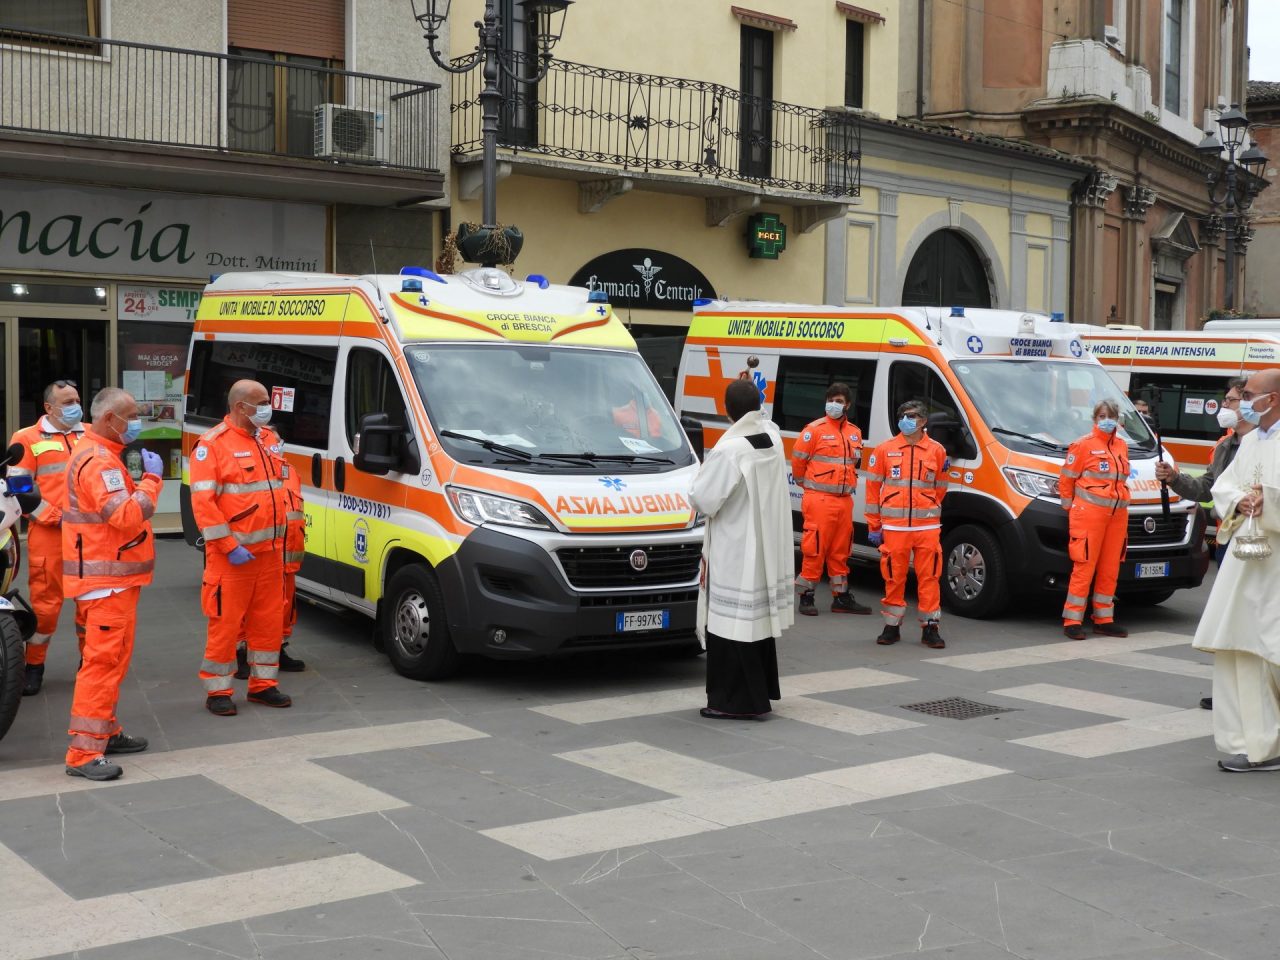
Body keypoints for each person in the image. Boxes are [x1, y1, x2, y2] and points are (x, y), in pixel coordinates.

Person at [61, 388, 160, 780]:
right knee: (101, 666)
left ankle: (106, 732)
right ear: (109, 420)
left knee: (109, 662)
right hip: (106, 584)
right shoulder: (99, 461)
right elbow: (125, 516)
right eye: (131, 416)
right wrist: (152, 480)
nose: (136, 422)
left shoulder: (96, 452)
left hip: (107, 580)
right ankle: (83, 754)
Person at [1191, 368, 1280, 772]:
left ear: (1272, 399)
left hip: (1275, 565)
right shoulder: (1249, 443)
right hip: (1246, 561)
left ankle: (1269, 745)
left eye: (1249, 394)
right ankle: (1251, 743)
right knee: (1241, 650)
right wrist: (1241, 502)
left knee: (1269, 653)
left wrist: (1271, 502)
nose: (1243, 401)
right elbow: (1223, 487)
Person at [689, 378, 794, 720]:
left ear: (726, 409)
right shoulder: (772, 438)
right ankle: (761, 691)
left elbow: (704, 499)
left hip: (736, 549)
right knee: (756, 624)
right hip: (763, 545)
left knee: (731, 625)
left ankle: (732, 701)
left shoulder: (730, 449)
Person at [191, 380, 292, 716]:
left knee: (268, 623)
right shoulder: (212, 445)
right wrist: (228, 544)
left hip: (270, 553)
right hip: (232, 559)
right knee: (225, 625)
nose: (267, 407)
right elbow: (204, 504)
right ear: (240, 407)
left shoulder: (269, 440)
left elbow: (279, 491)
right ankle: (218, 690)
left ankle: (264, 685)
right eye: (261, 402)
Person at [1156, 378, 1251, 710]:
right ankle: (1228, 689)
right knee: (1228, 615)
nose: (1225, 407)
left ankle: (1254, 690)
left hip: (1257, 542)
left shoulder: (1265, 444)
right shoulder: (1225, 446)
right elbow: (1207, 487)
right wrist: (1175, 479)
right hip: (1228, 540)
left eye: (1232, 400)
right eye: (1225, 400)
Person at [8, 379, 86, 695]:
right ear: (48, 407)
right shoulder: (26, 438)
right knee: (44, 606)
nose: (74, 406)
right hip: (49, 534)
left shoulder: (91, 434)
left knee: (90, 603)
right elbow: (18, 489)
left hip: (87, 536)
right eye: (67, 402)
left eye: (77, 400)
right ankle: (34, 666)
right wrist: (55, 517)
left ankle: (90, 664)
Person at [864, 399, 950, 649]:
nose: (905, 419)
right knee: (893, 577)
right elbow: (872, 489)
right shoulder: (884, 449)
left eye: (911, 416)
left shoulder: (937, 450)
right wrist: (874, 526)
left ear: (923, 421)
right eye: (902, 415)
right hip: (895, 528)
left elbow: (940, 487)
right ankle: (891, 627)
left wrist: (927, 507)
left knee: (930, 577)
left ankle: (930, 627)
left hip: (926, 528)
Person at [791, 382, 871, 617]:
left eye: (839, 401)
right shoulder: (813, 430)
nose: (834, 404)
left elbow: (854, 464)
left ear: (847, 405)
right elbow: (798, 462)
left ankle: (841, 597)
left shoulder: (855, 432)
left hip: (844, 500)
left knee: (841, 550)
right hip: (819, 499)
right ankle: (806, 596)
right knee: (814, 548)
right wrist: (806, 484)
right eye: (831, 400)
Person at [1059, 399, 1131, 640]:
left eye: (1110, 416)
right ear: (1094, 419)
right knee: (1084, 566)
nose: (1107, 420)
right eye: (1102, 416)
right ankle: (1072, 620)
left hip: (1117, 516)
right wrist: (1072, 509)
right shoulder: (1082, 445)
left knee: (1110, 568)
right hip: (1089, 515)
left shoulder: (1121, 445)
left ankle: (1103, 619)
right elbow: (1067, 479)